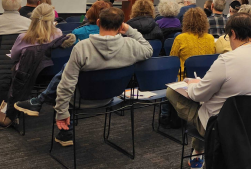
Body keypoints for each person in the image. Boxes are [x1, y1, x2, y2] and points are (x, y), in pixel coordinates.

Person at [15, 8, 153, 147]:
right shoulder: (132, 46)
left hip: (81, 101)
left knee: (67, 73)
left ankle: (48, 111)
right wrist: (130, 31)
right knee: (68, 71)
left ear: (98, 22)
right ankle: (41, 105)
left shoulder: (82, 47)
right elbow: (149, 50)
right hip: (111, 98)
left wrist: (61, 113)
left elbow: (67, 84)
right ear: (121, 25)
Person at [167, 13, 251, 168]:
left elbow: (196, 94)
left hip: (222, 126)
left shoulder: (227, 61)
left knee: (174, 93)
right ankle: (198, 151)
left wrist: (193, 84)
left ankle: (199, 152)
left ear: (233, 34)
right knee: (214, 97)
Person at [170, 7, 215, 77]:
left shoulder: (180, 38)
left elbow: (172, 61)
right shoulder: (210, 38)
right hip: (206, 78)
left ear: (186, 22)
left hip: (184, 78)